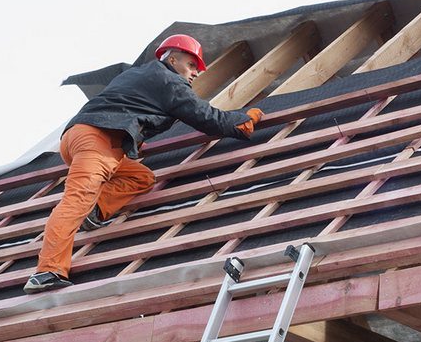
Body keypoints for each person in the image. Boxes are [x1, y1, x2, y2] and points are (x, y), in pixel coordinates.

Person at [24, 34, 263, 294]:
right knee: (75, 200)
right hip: (98, 141)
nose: (195, 73)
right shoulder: (170, 81)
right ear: (173, 59)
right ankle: (47, 271)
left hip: (80, 138)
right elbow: (205, 117)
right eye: (192, 65)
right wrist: (240, 121)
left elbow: (127, 107)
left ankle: (96, 209)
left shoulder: (136, 75)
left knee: (141, 177)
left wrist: (133, 140)